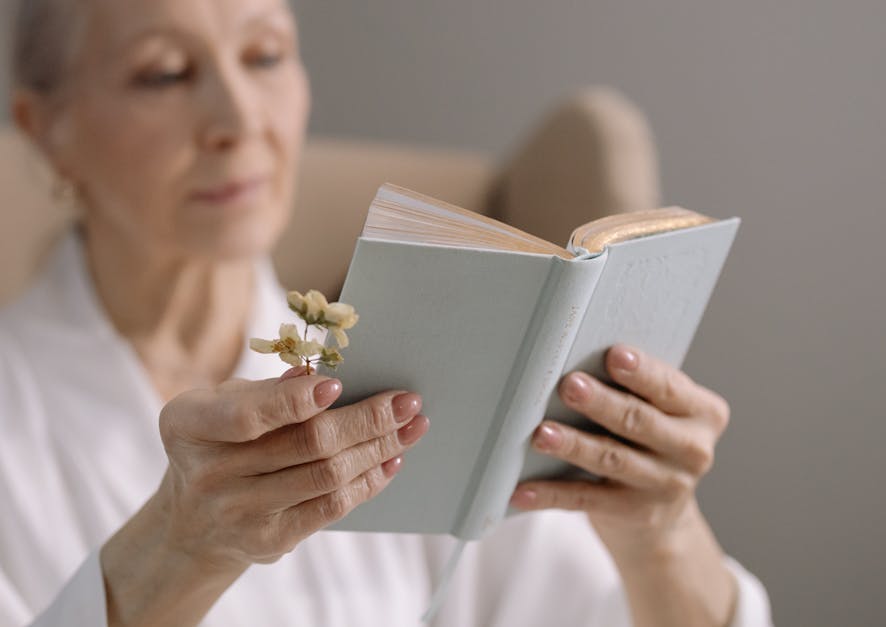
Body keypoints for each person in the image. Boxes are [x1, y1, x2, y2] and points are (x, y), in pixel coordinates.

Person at [0, 0, 773, 625]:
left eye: (265, 55)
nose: (238, 117)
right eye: (163, 74)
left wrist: (662, 538)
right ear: (47, 132)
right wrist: (176, 550)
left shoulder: (415, 369)